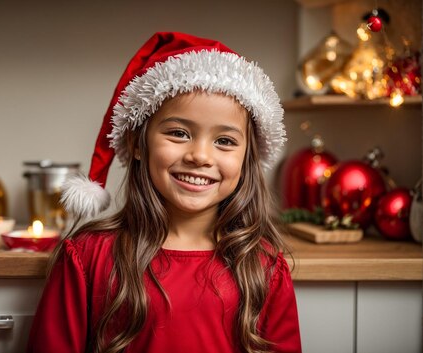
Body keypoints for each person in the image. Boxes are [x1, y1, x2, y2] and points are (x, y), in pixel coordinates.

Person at [27, 32, 302, 353]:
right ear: (137, 144)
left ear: (247, 157)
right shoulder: (87, 257)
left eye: (224, 141)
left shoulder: (264, 266)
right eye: (178, 133)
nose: (200, 156)